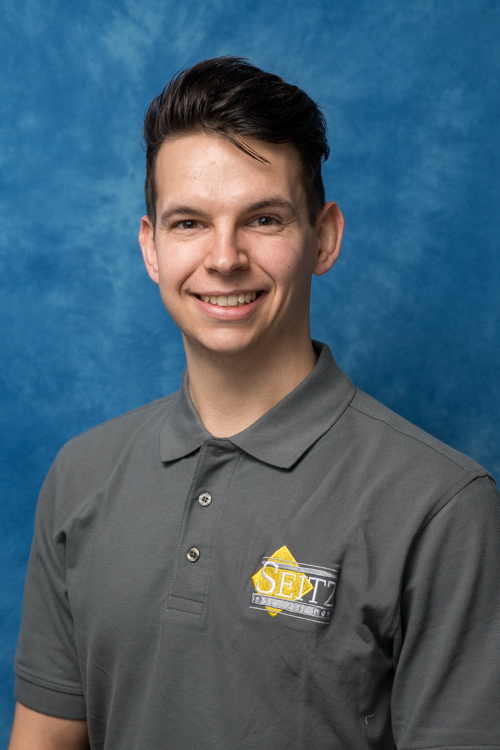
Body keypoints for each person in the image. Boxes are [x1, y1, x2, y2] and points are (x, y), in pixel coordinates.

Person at [9, 57, 500, 750]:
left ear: (324, 237)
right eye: (189, 223)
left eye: (263, 218)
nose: (225, 257)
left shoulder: (442, 506)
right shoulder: (80, 476)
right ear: (151, 248)